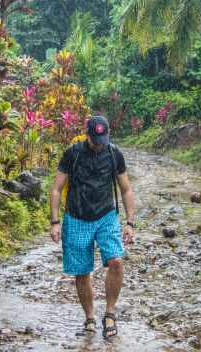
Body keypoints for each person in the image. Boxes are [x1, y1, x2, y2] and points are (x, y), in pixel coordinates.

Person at [49, 116, 136, 339]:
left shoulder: (114, 153)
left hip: (106, 215)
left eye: (103, 139)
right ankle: (89, 318)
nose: (99, 143)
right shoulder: (73, 153)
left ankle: (109, 313)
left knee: (116, 261)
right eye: (96, 139)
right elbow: (57, 188)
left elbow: (125, 189)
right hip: (76, 217)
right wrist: (55, 222)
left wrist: (130, 223)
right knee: (82, 271)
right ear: (87, 134)